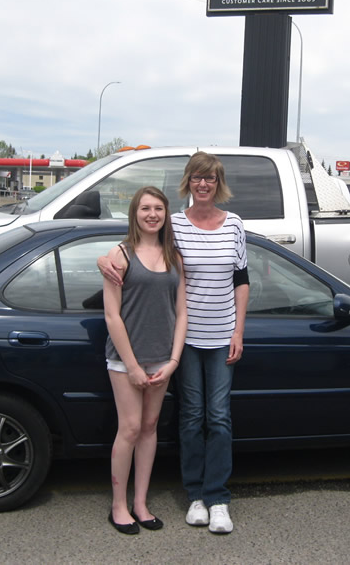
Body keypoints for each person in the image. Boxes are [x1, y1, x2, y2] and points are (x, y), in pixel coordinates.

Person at [100, 152, 249, 534]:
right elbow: (136, 247)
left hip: (214, 338)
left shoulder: (234, 224)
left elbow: (241, 279)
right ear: (188, 183)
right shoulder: (175, 225)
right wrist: (106, 257)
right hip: (178, 341)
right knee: (190, 417)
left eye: (210, 179)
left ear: (218, 183)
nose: (203, 184)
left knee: (217, 418)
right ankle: (194, 495)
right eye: (197, 178)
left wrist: (238, 331)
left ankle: (216, 499)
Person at [103, 186, 187, 535]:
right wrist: (134, 367)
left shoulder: (174, 257)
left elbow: (182, 312)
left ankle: (141, 503)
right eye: (144, 208)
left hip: (162, 360)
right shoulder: (119, 255)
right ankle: (118, 506)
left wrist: (174, 360)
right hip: (126, 361)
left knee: (150, 429)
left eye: (158, 209)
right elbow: (112, 316)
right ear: (134, 214)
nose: (152, 214)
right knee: (131, 428)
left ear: (166, 214)